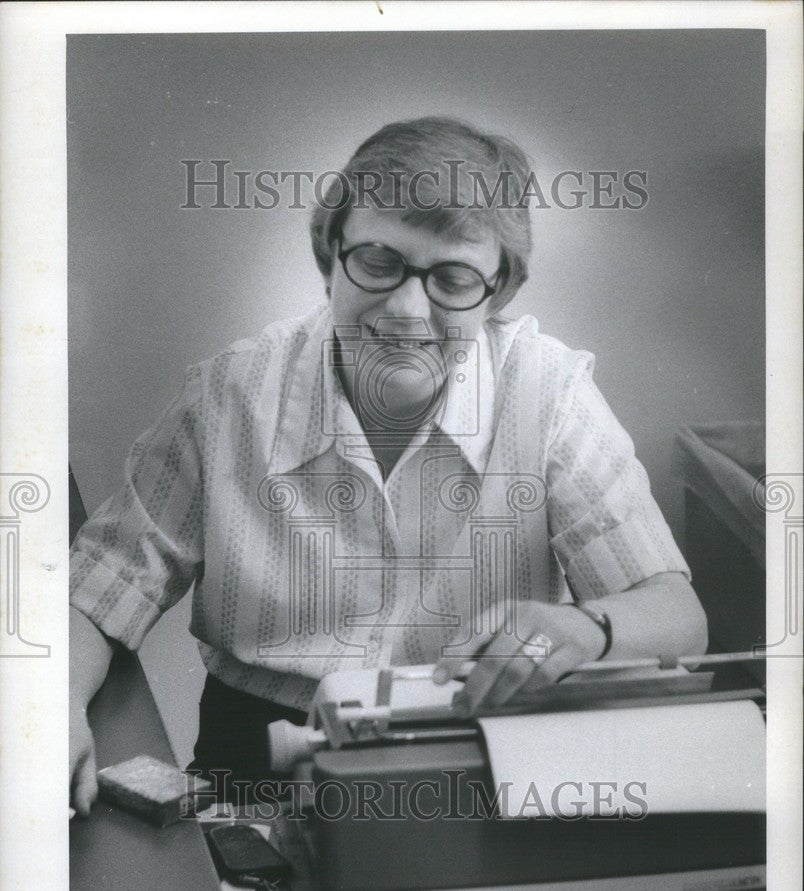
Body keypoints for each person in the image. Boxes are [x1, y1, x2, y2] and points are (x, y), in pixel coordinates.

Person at [69, 117, 707, 815]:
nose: (406, 310)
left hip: (476, 767)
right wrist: (54, 705)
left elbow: (679, 617)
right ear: (329, 253)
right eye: (378, 262)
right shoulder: (230, 393)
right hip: (258, 771)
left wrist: (590, 628)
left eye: (453, 278)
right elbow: (96, 596)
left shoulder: (549, 395)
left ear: (499, 292)